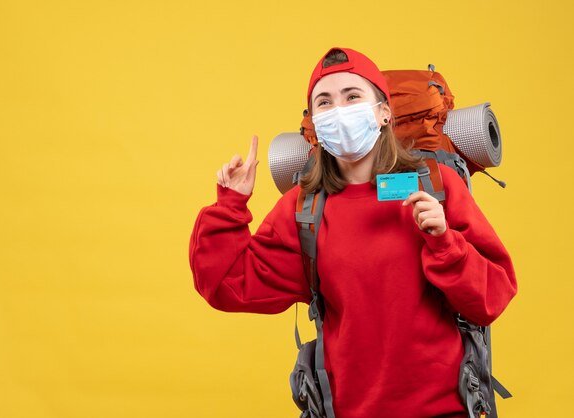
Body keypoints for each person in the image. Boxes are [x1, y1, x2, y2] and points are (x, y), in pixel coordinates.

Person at [189, 47, 517, 418]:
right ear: (315, 122)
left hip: (445, 409)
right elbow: (226, 283)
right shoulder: (305, 208)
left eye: (352, 97)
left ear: (383, 113)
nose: (339, 111)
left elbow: (493, 298)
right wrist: (231, 204)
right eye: (324, 103)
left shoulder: (436, 187)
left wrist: (445, 241)